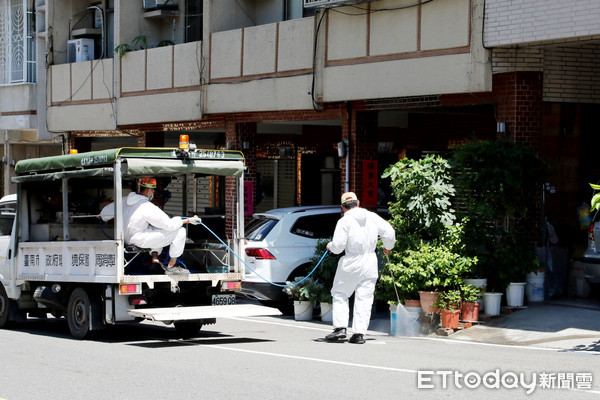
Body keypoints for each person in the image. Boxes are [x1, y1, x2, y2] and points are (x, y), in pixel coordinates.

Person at [325, 192, 395, 344]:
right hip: (370, 260)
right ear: (358, 203)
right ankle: (358, 334)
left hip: (351, 261)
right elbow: (389, 232)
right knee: (364, 298)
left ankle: (340, 328)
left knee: (340, 293)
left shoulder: (344, 221)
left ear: (343, 207)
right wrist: (388, 246)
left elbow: (338, 247)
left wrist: (330, 246)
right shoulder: (372, 216)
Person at [100, 177, 202, 274]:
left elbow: (104, 214)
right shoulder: (146, 206)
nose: (153, 193)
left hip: (126, 239)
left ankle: (155, 257)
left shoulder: (124, 200)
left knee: (156, 228)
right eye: (153, 191)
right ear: (148, 190)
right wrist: (189, 220)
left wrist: (100, 217)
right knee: (180, 231)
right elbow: (169, 225)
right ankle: (172, 265)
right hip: (139, 240)